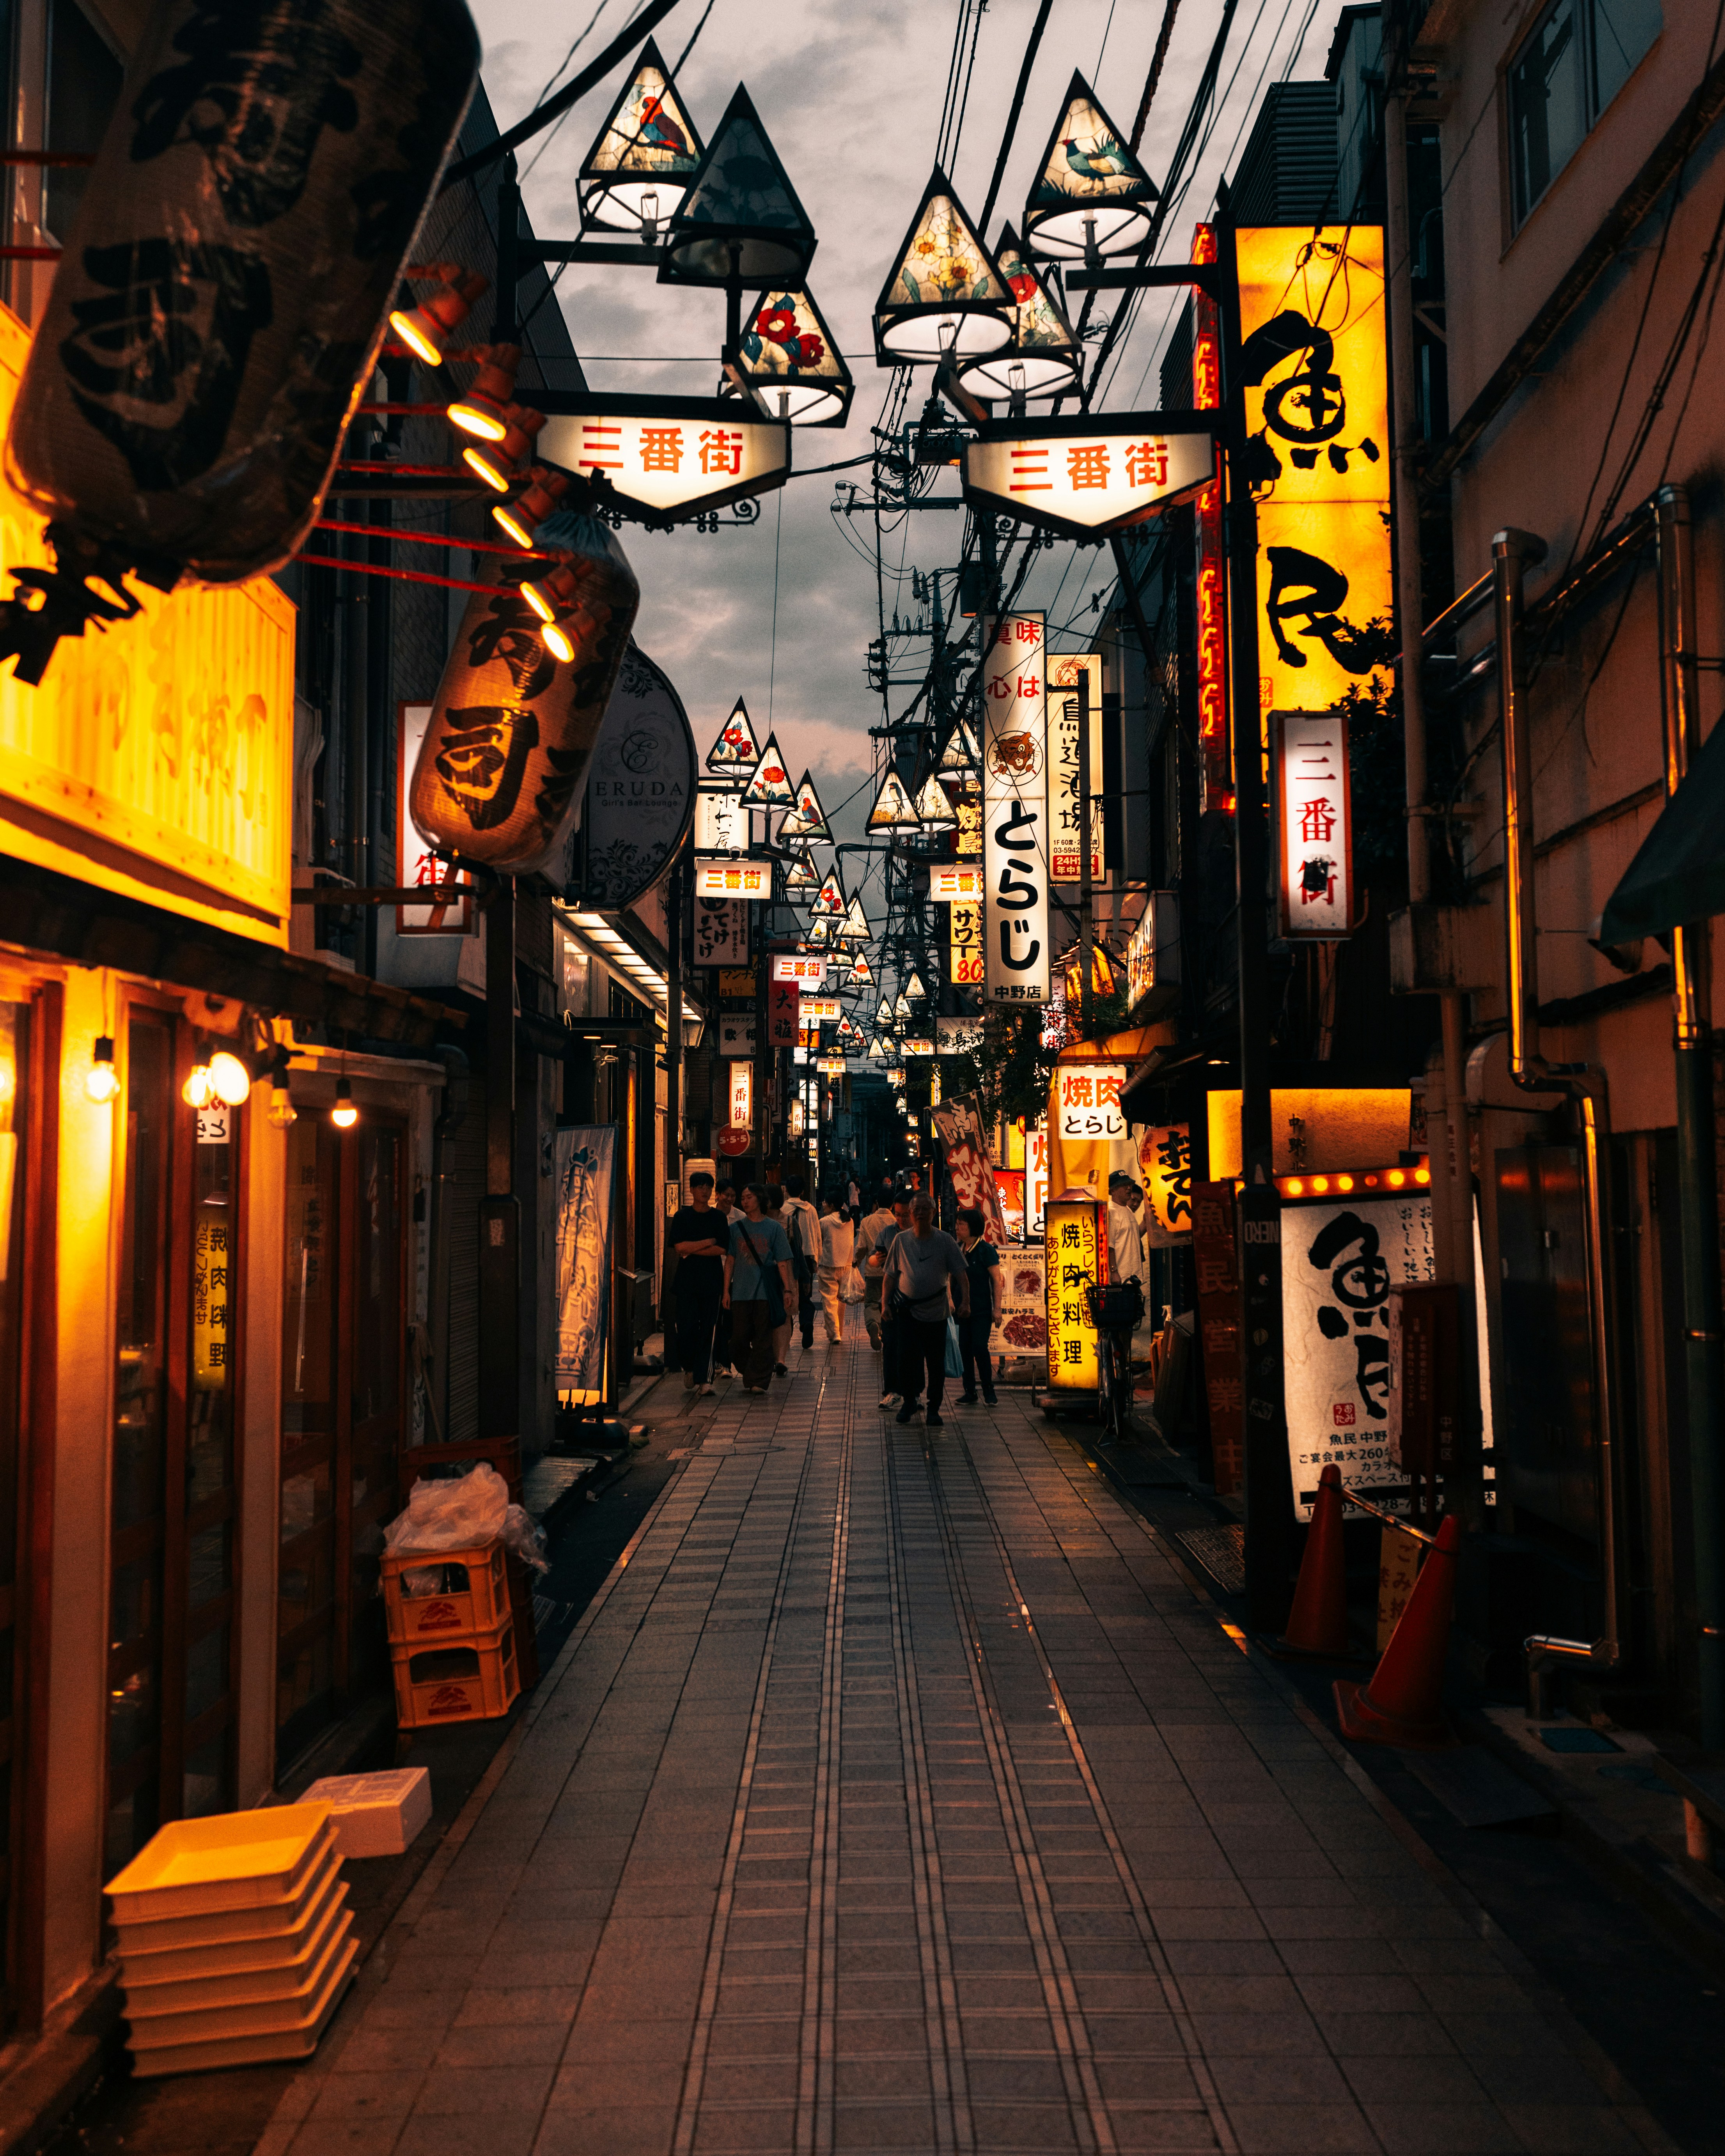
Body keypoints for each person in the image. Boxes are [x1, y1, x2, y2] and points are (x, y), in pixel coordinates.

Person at [883, 1193, 969, 1427]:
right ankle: (910, 1401)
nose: (920, 1213)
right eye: (916, 1210)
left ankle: (934, 1408)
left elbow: (961, 1274)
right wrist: (884, 1304)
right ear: (911, 1214)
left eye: (925, 1209)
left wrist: (965, 1303)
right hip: (907, 1312)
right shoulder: (901, 1241)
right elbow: (890, 1276)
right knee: (906, 1361)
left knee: (935, 1363)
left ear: (934, 1213)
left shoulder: (945, 1241)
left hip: (936, 1312)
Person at [723, 1185, 794, 1394]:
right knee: (738, 1340)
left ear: (760, 1200)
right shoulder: (736, 1229)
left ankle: (760, 1381)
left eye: (749, 1197)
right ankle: (751, 1372)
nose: (744, 1201)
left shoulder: (774, 1229)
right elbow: (730, 1262)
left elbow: (783, 1262)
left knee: (764, 1338)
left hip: (765, 1293)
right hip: (741, 1294)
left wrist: (788, 1290)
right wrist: (726, 1290)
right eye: (743, 1198)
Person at [667, 1173, 728, 1396]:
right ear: (691, 1190)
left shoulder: (719, 1218)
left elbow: (721, 1249)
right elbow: (679, 1248)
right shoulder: (682, 1217)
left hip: (712, 1282)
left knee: (709, 1331)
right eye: (700, 1187)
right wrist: (707, 1242)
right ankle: (690, 1367)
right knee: (685, 1330)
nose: (705, 1191)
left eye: (708, 1187)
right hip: (686, 1283)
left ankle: (705, 1380)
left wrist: (693, 1249)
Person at [953, 1207, 1002, 1406]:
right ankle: (970, 1391)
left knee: (980, 1347)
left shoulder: (986, 1250)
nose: (957, 1228)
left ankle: (989, 1390)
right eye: (957, 1224)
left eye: (961, 1224)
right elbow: (950, 1278)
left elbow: (997, 1281)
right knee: (964, 1348)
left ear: (973, 1227)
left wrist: (997, 1309)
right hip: (960, 1309)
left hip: (981, 1309)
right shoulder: (957, 1248)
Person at [869, 1191, 914, 1404]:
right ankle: (892, 1390)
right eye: (898, 1214)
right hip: (891, 1298)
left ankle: (913, 1393)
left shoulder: (925, 1234)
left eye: (906, 1215)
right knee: (891, 1345)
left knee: (914, 1348)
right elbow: (873, 1260)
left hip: (918, 1300)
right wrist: (877, 1259)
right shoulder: (888, 1234)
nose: (902, 1219)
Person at [856, 1188, 901, 1355]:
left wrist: (857, 1261)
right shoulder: (897, 1221)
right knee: (889, 1303)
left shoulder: (867, 1222)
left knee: (872, 1303)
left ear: (876, 1202)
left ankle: (873, 1324)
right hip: (894, 1272)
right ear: (893, 1204)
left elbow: (862, 1248)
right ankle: (886, 1332)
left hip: (873, 1271)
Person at [782, 1174, 821, 1353]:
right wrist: (815, 1260)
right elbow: (816, 1234)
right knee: (805, 1296)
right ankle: (806, 1323)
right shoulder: (810, 1209)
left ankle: (786, 1336)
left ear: (787, 1191)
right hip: (806, 1258)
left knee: (787, 1294)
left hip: (788, 1258)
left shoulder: (783, 1210)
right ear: (803, 1191)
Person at [817, 1191, 855, 1347]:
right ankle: (838, 1331)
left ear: (832, 1206)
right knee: (841, 1301)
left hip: (828, 1266)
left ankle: (835, 1333)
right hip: (846, 1265)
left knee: (830, 1301)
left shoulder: (824, 1222)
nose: (823, 1205)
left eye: (825, 1203)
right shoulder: (850, 1221)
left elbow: (820, 1243)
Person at [764, 1185, 795, 1375]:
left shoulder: (790, 1222)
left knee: (784, 1315)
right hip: (765, 1275)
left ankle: (781, 1359)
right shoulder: (754, 1222)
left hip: (785, 1275)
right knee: (770, 1314)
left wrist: (802, 1280)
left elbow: (796, 1253)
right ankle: (776, 1357)